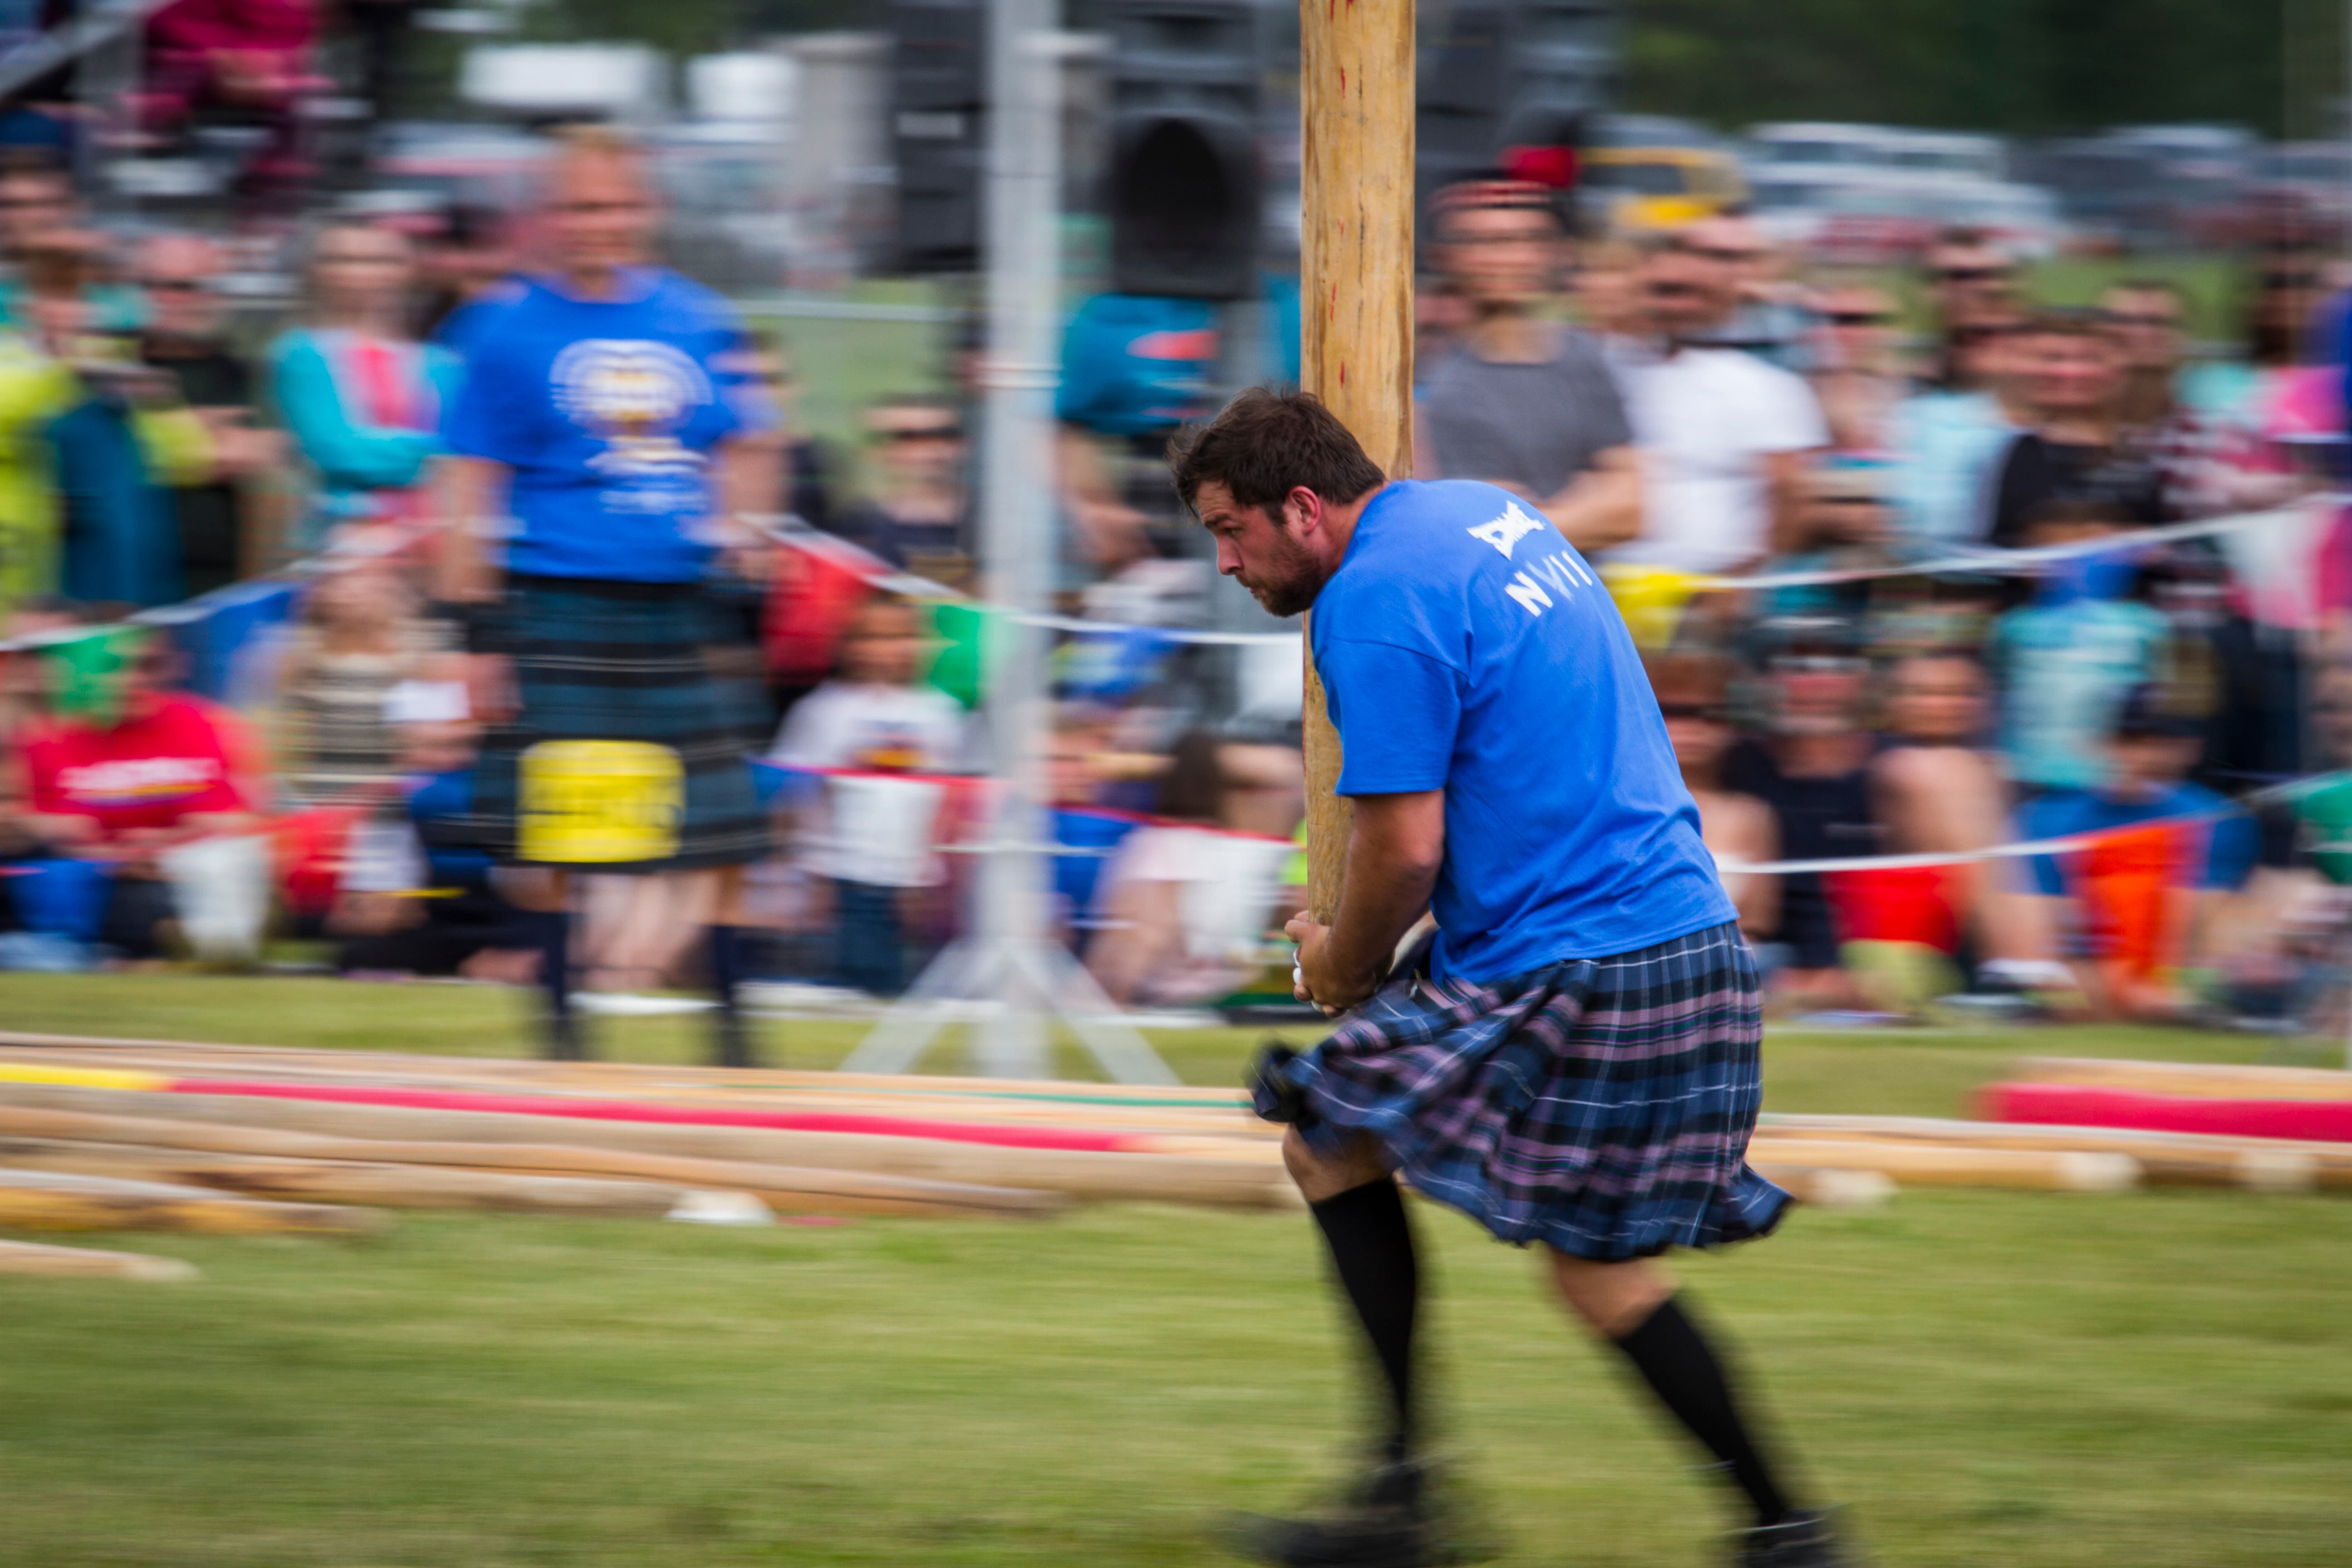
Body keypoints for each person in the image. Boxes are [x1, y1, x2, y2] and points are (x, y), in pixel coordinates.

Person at [1173, 389, 1842, 1568]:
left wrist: (1337, 958)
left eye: (1232, 530)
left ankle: (1425, 1508)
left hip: (1585, 959)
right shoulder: (1484, 514)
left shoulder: (1373, 603)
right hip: (1669, 933)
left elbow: (1406, 849)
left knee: (1568, 1258)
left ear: (1305, 507)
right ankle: (1775, 1529)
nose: (1225, 561)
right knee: (1360, 1149)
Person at [434, 125, 779, 1063]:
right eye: (583, 206)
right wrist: (468, 632)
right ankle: (561, 1032)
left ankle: (735, 1037)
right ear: (550, 215)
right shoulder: (502, 330)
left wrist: (745, 538)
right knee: (555, 828)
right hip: (554, 597)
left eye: (618, 205)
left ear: (647, 210)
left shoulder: (701, 319)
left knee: (719, 831)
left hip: (679, 605)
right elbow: (468, 484)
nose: (602, 224)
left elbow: (747, 441)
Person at [1410, 175, 1642, 556]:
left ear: (1554, 252)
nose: (1510, 257)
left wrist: (1517, 517)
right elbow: (1454, 533)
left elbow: (1629, 512)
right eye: (1485, 242)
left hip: (1571, 598)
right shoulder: (1429, 373)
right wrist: (1584, 503)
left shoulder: (1582, 358)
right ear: (1445, 255)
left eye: (1528, 239)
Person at [4, 624, 267, 959]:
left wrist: (164, 849)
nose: (134, 679)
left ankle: (216, 956)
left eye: (148, 667)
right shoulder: (53, 737)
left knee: (223, 862)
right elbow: (48, 828)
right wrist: (110, 857)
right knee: (74, 882)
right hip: (97, 874)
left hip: (178, 865)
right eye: (115, 668)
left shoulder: (195, 722)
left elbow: (236, 819)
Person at [768, 595, 968, 997]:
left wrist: (931, 871)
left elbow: (951, 800)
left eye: (902, 637)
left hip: (912, 877)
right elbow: (798, 797)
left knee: (898, 990)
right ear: (850, 645)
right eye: (873, 637)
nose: (888, 649)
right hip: (842, 876)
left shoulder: (942, 713)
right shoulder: (823, 711)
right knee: (841, 992)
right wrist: (810, 871)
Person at [2020, 684, 2256, 1021]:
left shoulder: (2216, 818)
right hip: (2084, 969)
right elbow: (2046, 924)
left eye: (2158, 744)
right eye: (2127, 742)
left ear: (2186, 750)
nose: (2142, 758)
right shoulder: (2048, 818)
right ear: (2100, 746)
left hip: (2172, 969)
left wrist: (2148, 987)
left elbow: (2198, 925)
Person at [1613, 235, 1828, 575]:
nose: (1673, 306)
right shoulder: (1607, 368)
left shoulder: (1768, 385)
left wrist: (1742, 583)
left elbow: (1791, 496)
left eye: (1685, 293)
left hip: (1714, 585)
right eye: (1661, 291)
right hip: (1611, 579)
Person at [270, 221, 459, 554]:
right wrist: (439, 457)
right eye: (342, 259)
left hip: (432, 545)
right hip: (341, 547)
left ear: (409, 269)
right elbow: (341, 453)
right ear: (316, 270)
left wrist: (445, 458)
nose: (359, 273)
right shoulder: (300, 354)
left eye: (379, 260)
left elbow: (465, 449)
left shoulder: (440, 362)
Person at [1722, 618, 1880, 1014]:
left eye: (1839, 668)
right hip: (1766, 966)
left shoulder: (1890, 771)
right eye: (1795, 668)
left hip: (1875, 968)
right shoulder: (1732, 765)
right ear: (1760, 682)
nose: (1815, 685)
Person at [1084, 729, 1294, 1008]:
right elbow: (1287, 768)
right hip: (1232, 997)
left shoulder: (1161, 845)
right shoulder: (1248, 851)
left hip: (1170, 1002)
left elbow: (1147, 935)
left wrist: (1108, 1000)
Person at [137, 233, 279, 595]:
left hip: (217, 582)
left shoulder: (243, 373)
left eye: (188, 286)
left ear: (215, 295)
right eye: (154, 285)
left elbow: (253, 457)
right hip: (124, 580)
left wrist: (159, 432)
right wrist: (205, 433)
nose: (170, 299)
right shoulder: (116, 365)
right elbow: (117, 455)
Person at [1984, 313, 2165, 549]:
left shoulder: (2140, 451)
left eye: (2089, 359)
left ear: (2119, 369)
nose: (2070, 372)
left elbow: (2165, 537)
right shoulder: (2020, 451)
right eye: (2054, 359)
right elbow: (2004, 544)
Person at [1649, 652, 1777, 941]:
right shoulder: (1621, 812)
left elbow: (1758, 924)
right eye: (1673, 712)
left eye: (1712, 715)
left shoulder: (1752, 816)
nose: (1694, 729)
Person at [835, 394, 970, 582]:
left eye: (945, 435)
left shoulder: (991, 520)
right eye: (908, 438)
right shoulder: (858, 524)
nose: (931, 449)